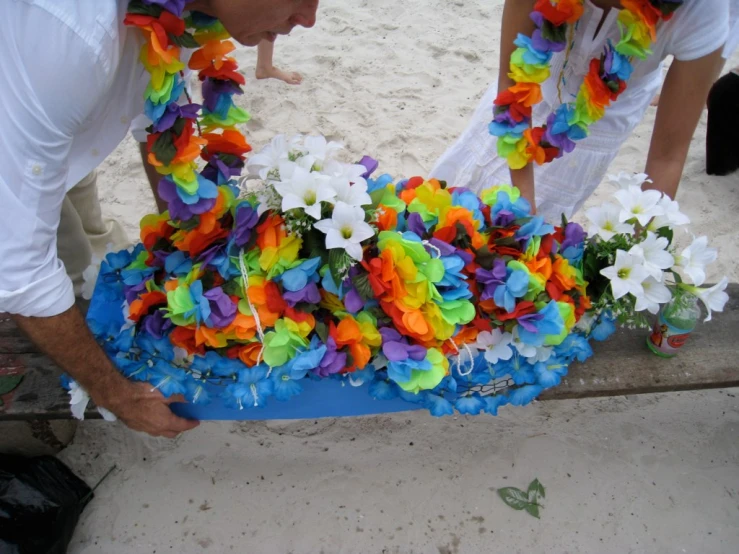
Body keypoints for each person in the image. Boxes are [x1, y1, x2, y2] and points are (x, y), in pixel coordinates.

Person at [0, 0, 319, 438]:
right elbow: (20, 271)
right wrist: (117, 394)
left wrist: (192, 239)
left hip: (52, 132)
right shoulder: (72, 42)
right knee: (46, 274)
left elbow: (157, 114)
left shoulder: (186, 10)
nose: (309, 18)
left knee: (83, 245)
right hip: (24, 129)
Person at [430, 0, 732, 223]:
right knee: (449, 202)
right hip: (520, 98)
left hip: (594, 129)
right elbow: (510, 84)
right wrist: (524, 200)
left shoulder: (703, 9)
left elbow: (667, 157)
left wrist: (641, 255)